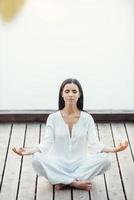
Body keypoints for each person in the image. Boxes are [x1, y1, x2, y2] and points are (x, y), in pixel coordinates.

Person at [12, 78, 128, 191]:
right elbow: (46, 144)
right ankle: (75, 183)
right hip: (58, 164)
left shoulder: (87, 118)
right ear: (62, 94)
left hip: (81, 164)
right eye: (67, 91)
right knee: (36, 159)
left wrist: (114, 149)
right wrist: (28, 151)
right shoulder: (53, 118)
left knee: (106, 159)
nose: (70, 94)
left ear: (79, 94)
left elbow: (95, 144)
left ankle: (62, 181)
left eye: (74, 91)